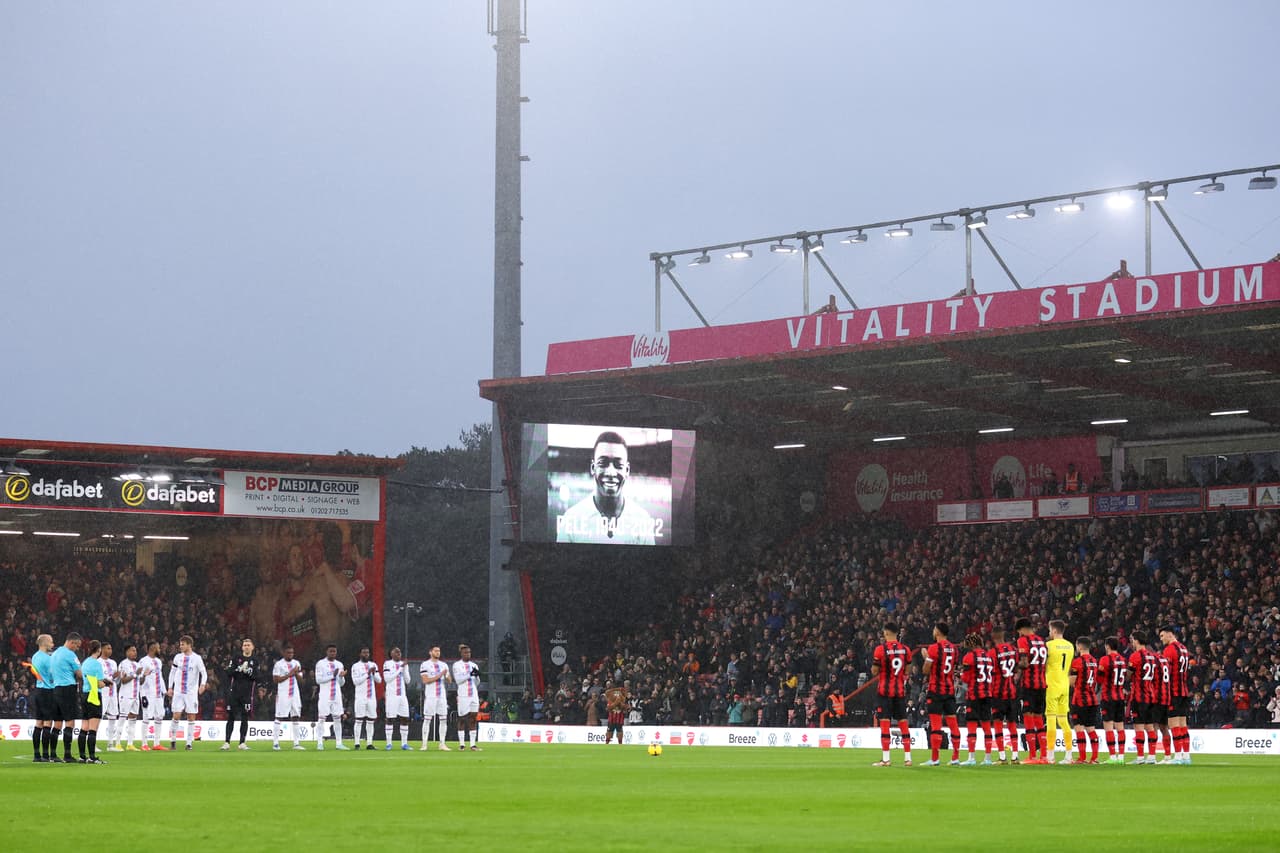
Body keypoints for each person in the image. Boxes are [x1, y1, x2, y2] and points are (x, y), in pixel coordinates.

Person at [556, 431, 657, 545]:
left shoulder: (642, 520)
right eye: (603, 463)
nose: (610, 472)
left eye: (618, 465)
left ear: (627, 470)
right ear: (593, 468)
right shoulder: (571, 519)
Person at [870, 622, 913, 767]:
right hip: (900, 692)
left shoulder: (880, 650)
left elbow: (874, 672)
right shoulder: (906, 649)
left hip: (884, 692)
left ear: (886, 633)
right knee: (903, 723)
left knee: (885, 724)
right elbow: (907, 670)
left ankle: (886, 759)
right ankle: (908, 758)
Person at [921, 622, 961, 767]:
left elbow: (926, 670)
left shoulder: (933, 648)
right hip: (950, 690)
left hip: (936, 690)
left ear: (937, 632)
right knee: (953, 724)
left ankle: (935, 758)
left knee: (936, 725)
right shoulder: (954, 649)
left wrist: (925, 657)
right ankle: (955, 757)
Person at [1015, 617, 1048, 763]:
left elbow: (1023, 662)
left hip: (1028, 685)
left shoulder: (1023, 641)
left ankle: (1032, 756)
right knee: (1039, 719)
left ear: (1022, 629)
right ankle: (1044, 756)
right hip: (1041, 684)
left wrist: (1015, 671)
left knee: (1028, 719)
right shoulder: (1042, 641)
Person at [166, 635, 208, 751]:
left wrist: (202, 684)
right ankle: (173, 741)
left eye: (182, 644)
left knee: (191, 716)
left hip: (191, 692)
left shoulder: (197, 658)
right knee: (176, 715)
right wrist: (170, 687)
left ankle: (189, 743)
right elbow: (172, 673)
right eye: (180, 644)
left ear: (189, 645)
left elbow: (203, 673)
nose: (180, 646)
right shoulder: (177, 657)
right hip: (179, 692)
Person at [959, 633, 995, 766]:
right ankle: (988, 758)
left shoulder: (969, 657)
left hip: (974, 695)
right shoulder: (989, 656)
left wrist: (961, 675)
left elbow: (966, 679)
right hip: (988, 694)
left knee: (972, 725)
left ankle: (971, 757)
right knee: (986, 726)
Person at [223, 638, 265, 751]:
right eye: (244, 645)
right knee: (231, 716)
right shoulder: (236, 658)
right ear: (242, 647)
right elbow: (228, 672)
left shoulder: (255, 660)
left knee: (244, 717)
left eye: (248, 645)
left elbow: (258, 677)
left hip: (247, 693)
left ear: (252, 647)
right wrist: (238, 669)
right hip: (234, 692)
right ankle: (227, 742)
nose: (246, 647)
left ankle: (242, 742)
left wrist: (250, 673)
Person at [1160, 626, 1193, 765]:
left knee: (1174, 725)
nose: (1161, 639)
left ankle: (1178, 756)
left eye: (1162, 636)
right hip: (1184, 691)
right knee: (1183, 725)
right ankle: (1186, 756)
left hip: (1173, 691)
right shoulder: (1184, 649)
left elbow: (1165, 673)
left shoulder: (1169, 650)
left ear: (1169, 634)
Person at [50, 631, 84, 763]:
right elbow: (80, 674)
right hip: (68, 689)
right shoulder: (70, 655)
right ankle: (67, 755)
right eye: (77, 645)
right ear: (72, 642)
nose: (77, 648)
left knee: (57, 722)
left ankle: (52, 754)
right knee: (70, 721)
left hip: (56, 688)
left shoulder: (55, 653)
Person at [1127, 630, 1160, 764]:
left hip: (1139, 696)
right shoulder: (1153, 657)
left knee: (1139, 727)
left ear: (1136, 640)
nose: (1131, 643)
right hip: (1151, 695)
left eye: (1132, 640)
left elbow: (1128, 675)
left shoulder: (1135, 656)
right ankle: (1152, 756)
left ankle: (1140, 757)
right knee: (1150, 727)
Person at [1044, 619, 1075, 764]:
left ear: (1055, 631)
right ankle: (1069, 756)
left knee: (1051, 719)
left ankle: (1050, 756)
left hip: (1052, 685)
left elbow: (1043, 665)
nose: (1049, 633)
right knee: (1064, 720)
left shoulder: (1049, 646)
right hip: (1065, 684)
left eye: (1050, 630)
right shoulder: (1070, 646)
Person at [988, 627, 1020, 764]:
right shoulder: (1014, 650)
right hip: (1012, 692)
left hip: (998, 693)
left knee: (998, 724)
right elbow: (1018, 668)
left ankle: (1002, 757)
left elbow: (990, 673)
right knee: (1012, 724)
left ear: (993, 637)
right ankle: (1015, 756)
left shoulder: (992, 653)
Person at [1068, 636, 1101, 764]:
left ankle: (1082, 758)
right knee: (1091, 729)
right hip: (1092, 700)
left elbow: (1072, 682)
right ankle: (1094, 758)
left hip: (1079, 700)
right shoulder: (1094, 661)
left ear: (1080, 646)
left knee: (1079, 729)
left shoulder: (1077, 662)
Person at [1097, 636, 1129, 763]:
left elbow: (1099, 679)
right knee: (1120, 727)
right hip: (1120, 697)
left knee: (1109, 727)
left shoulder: (1105, 660)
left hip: (1108, 697)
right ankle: (1121, 756)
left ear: (1107, 646)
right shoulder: (1123, 660)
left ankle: (1112, 756)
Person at [78, 639, 109, 763]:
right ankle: (92, 757)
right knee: (93, 728)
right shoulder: (97, 664)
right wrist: (106, 684)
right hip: (94, 695)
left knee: (84, 726)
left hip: (84, 694)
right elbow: (99, 684)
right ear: (99, 650)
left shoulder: (85, 663)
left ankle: (82, 756)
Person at [314, 643, 349, 750]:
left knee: (338, 718)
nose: (333, 653)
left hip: (337, 695)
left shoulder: (339, 664)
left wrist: (342, 677)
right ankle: (319, 743)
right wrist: (332, 675)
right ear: (327, 652)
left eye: (334, 651)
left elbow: (341, 683)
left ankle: (339, 743)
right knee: (322, 719)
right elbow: (318, 680)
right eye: (331, 651)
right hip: (325, 695)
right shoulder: (321, 663)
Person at [272, 644, 305, 750]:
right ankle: (276, 743)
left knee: (295, 716)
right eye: (288, 652)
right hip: (283, 694)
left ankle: (296, 743)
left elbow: (302, 681)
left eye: (292, 653)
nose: (290, 654)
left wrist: (295, 674)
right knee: (279, 716)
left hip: (295, 694)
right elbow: (276, 680)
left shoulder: (296, 663)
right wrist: (290, 674)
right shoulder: (279, 664)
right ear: (283, 653)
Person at [29, 633, 55, 762]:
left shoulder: (35, 657)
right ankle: (45, 755)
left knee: (38, 723)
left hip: (38, 690)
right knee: (47, 723)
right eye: (51, 642)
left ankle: (36, 755)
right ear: (44, 643)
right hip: (47, 691)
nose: (53, 644)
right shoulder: (48, 658)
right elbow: (52, 674)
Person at [419, 645, 451, 751]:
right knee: (427, 719)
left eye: (439, 651)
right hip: (431, 696)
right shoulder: (425, 664)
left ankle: (442, 743)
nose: (438, 652)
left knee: (443, 719)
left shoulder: (444, 665)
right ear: (430, 652)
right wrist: (440, 674)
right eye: (435, 651)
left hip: (441, 696)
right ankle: (424, 744)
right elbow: (425, 680)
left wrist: (447, 676)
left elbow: (450, 680)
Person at [451, 644, 482, 750]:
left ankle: (473, 744)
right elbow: (458, 680)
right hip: (463, 695)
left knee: (473, 718)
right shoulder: (457, 665)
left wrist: (477, 676)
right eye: (465, 652)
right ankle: (462, 744)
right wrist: (470, 674)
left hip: (473, 695)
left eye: (469, 652)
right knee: (462, 719)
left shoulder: (474, 665)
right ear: (461, 654)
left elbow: (477, 683)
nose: (468, 654)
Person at [137, 641, 167, 750]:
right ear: (153, 648)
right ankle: (144, 744)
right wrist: (144, 676)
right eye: (159, 647)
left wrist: (164, 690)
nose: (160, 649)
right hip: (148, 694)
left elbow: (161, 677)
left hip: (159, 694)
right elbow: (139, 680)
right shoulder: (143, 661)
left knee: (159, 717)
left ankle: (156, 744)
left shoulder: (159, 661)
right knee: (146, 717)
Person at [351, 646, 381, 750]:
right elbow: (356, 681)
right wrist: (367, 674)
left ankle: (369, 743)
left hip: (371, 697)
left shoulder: (373, 665)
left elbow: (379, 680)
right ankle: (357, 743)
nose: (366, 654)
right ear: (360, 654)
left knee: (371, 720)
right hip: (360, 697)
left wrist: (373, 673)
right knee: (359, 719)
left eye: (367, 653)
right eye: (364, 653)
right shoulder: (356, 666)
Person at [382, 647, 411, 751]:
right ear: (391, 654)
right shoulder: (387, 663)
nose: (399, 653)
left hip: (402, 695)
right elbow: (387, 679)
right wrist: (399, 669)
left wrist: (405, 669)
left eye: (400, 652)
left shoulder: (403, 664)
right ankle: (389, 743)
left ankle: (404, 744)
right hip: (392, 695)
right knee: (390, 718)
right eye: (396, 652)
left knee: (405, 718)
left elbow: (408, 681)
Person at [114, 643, 142, 751]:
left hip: (135, 695)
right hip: (126, 695)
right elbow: (123, 681)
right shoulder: (123, 664)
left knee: (133, 718)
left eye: (135, 650)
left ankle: (130, 744)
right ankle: (117, 743)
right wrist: (135, 674)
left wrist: (144, 675)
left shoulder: (138, 665)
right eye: (132, 650)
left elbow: (140, 681)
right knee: (122, 718)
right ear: (127, 652)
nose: (135, 652)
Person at [99, 641, 120, 753]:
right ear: (102, 649)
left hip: (113, 693)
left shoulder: (113, 663)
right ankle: (94, 744)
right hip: (103, 692)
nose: (110, 650)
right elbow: (100, 677)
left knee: (113, 717)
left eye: (111, 648)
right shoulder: (98, 662)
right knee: (99, 717)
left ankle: (110, 744)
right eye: (108, 648)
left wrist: (117, 677)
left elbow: (114, 680)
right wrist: (112, 677)